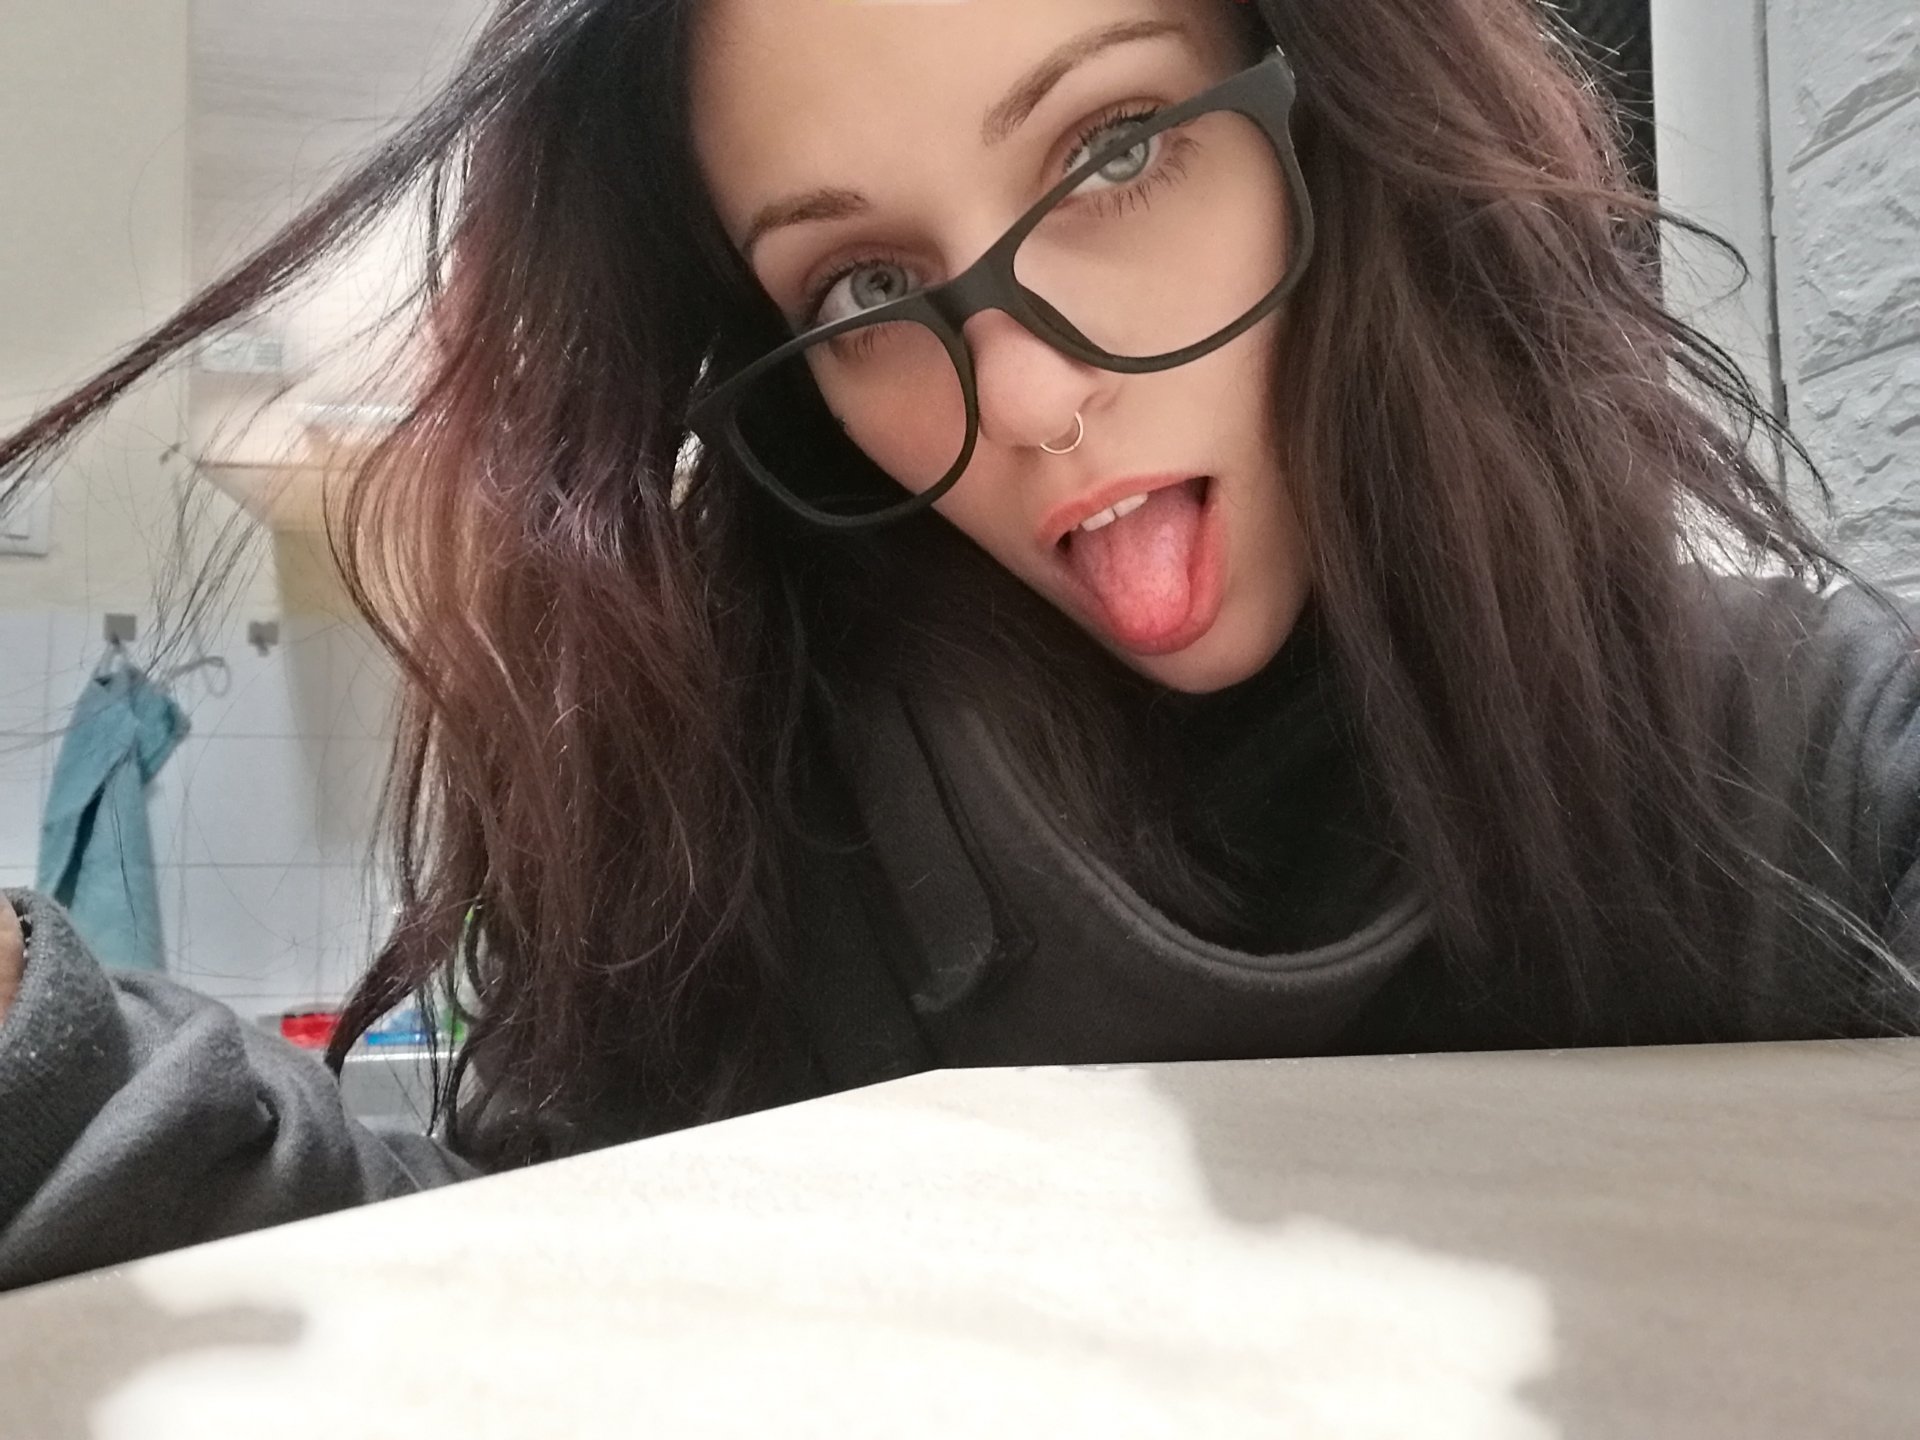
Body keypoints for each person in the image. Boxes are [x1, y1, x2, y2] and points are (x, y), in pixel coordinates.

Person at [2, 0, 1917, 1292]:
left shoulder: (1801, 768)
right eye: (864, 286)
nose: (1023, 394)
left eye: (1114, 151)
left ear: (1333, 118)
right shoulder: (752, 843)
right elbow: (485, 1283)